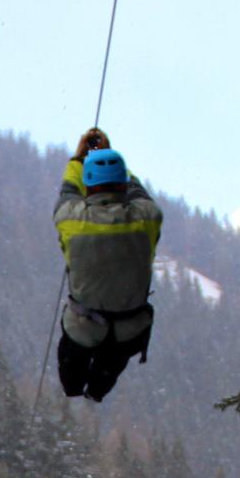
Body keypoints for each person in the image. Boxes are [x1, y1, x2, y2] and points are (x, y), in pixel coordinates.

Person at [53, 127, 163, 400]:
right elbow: (137, 191)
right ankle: (95, 394)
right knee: (106, 375)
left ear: (89, 184)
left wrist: (78, 160)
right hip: (129, 328)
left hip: (84, 326)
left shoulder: (72, 219)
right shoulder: (145, 218)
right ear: (122, 182)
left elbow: (68, 192)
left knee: (71, 382)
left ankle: (80, 392)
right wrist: (110, 157)